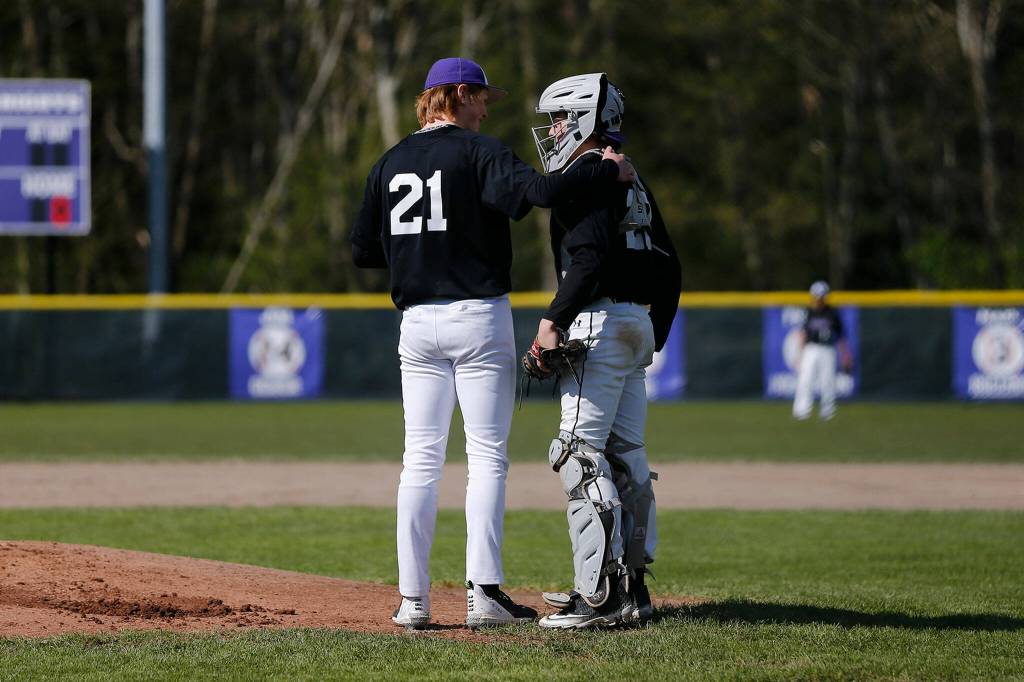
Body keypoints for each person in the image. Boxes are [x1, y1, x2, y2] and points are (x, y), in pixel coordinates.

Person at [350, 57, 636, 630]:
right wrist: (607, 172)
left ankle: (413, 601)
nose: (486, 107)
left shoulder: (389, 161)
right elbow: (542, 190)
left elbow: (364, 251)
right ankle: (483, 595)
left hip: (415, 323)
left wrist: (423, 250)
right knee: (486, 459)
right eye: (482, 97)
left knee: (419, 461)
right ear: (457, 94)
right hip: (477, 316)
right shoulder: (479, 152)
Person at [521, 73, 682, 629]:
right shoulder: (632, 179)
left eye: (562, 119)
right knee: (627, 458)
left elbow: (586, 259)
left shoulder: (587, 176)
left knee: (578, 455)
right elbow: (670, 262)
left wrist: (551, 322)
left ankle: (601, 597)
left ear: (586, 118)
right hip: (634, 319)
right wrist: (649, 332)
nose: (555, 130)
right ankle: (633, 590)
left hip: (599, 320)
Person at [793, 281, 853, 421]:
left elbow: (841, 335)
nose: (819, 299)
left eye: (821, 296)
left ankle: (828, 410)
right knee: (805, 379)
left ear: (825, 297)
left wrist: (845, 354)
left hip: (828, 349)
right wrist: (799, 354)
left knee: (827, 381)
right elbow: (803, 333)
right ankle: (802, 410)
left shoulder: (832, 313)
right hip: (811, 349)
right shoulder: (808, 312)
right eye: (816, 296)